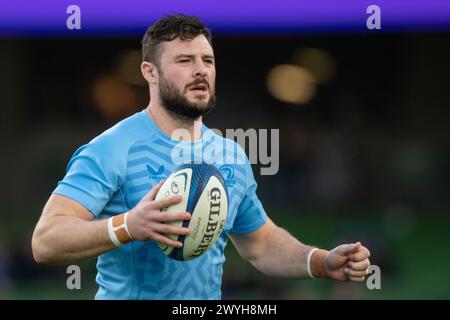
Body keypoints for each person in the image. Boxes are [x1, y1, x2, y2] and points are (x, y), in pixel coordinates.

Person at [31, 14, 371, 300]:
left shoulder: (230, 154)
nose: (201, 71)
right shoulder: (112, 148)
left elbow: (261, 243)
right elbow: (46, 241)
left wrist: (321, 261)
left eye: (207, 60)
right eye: (184, 60)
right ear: (150, 72)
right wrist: (128, 226)